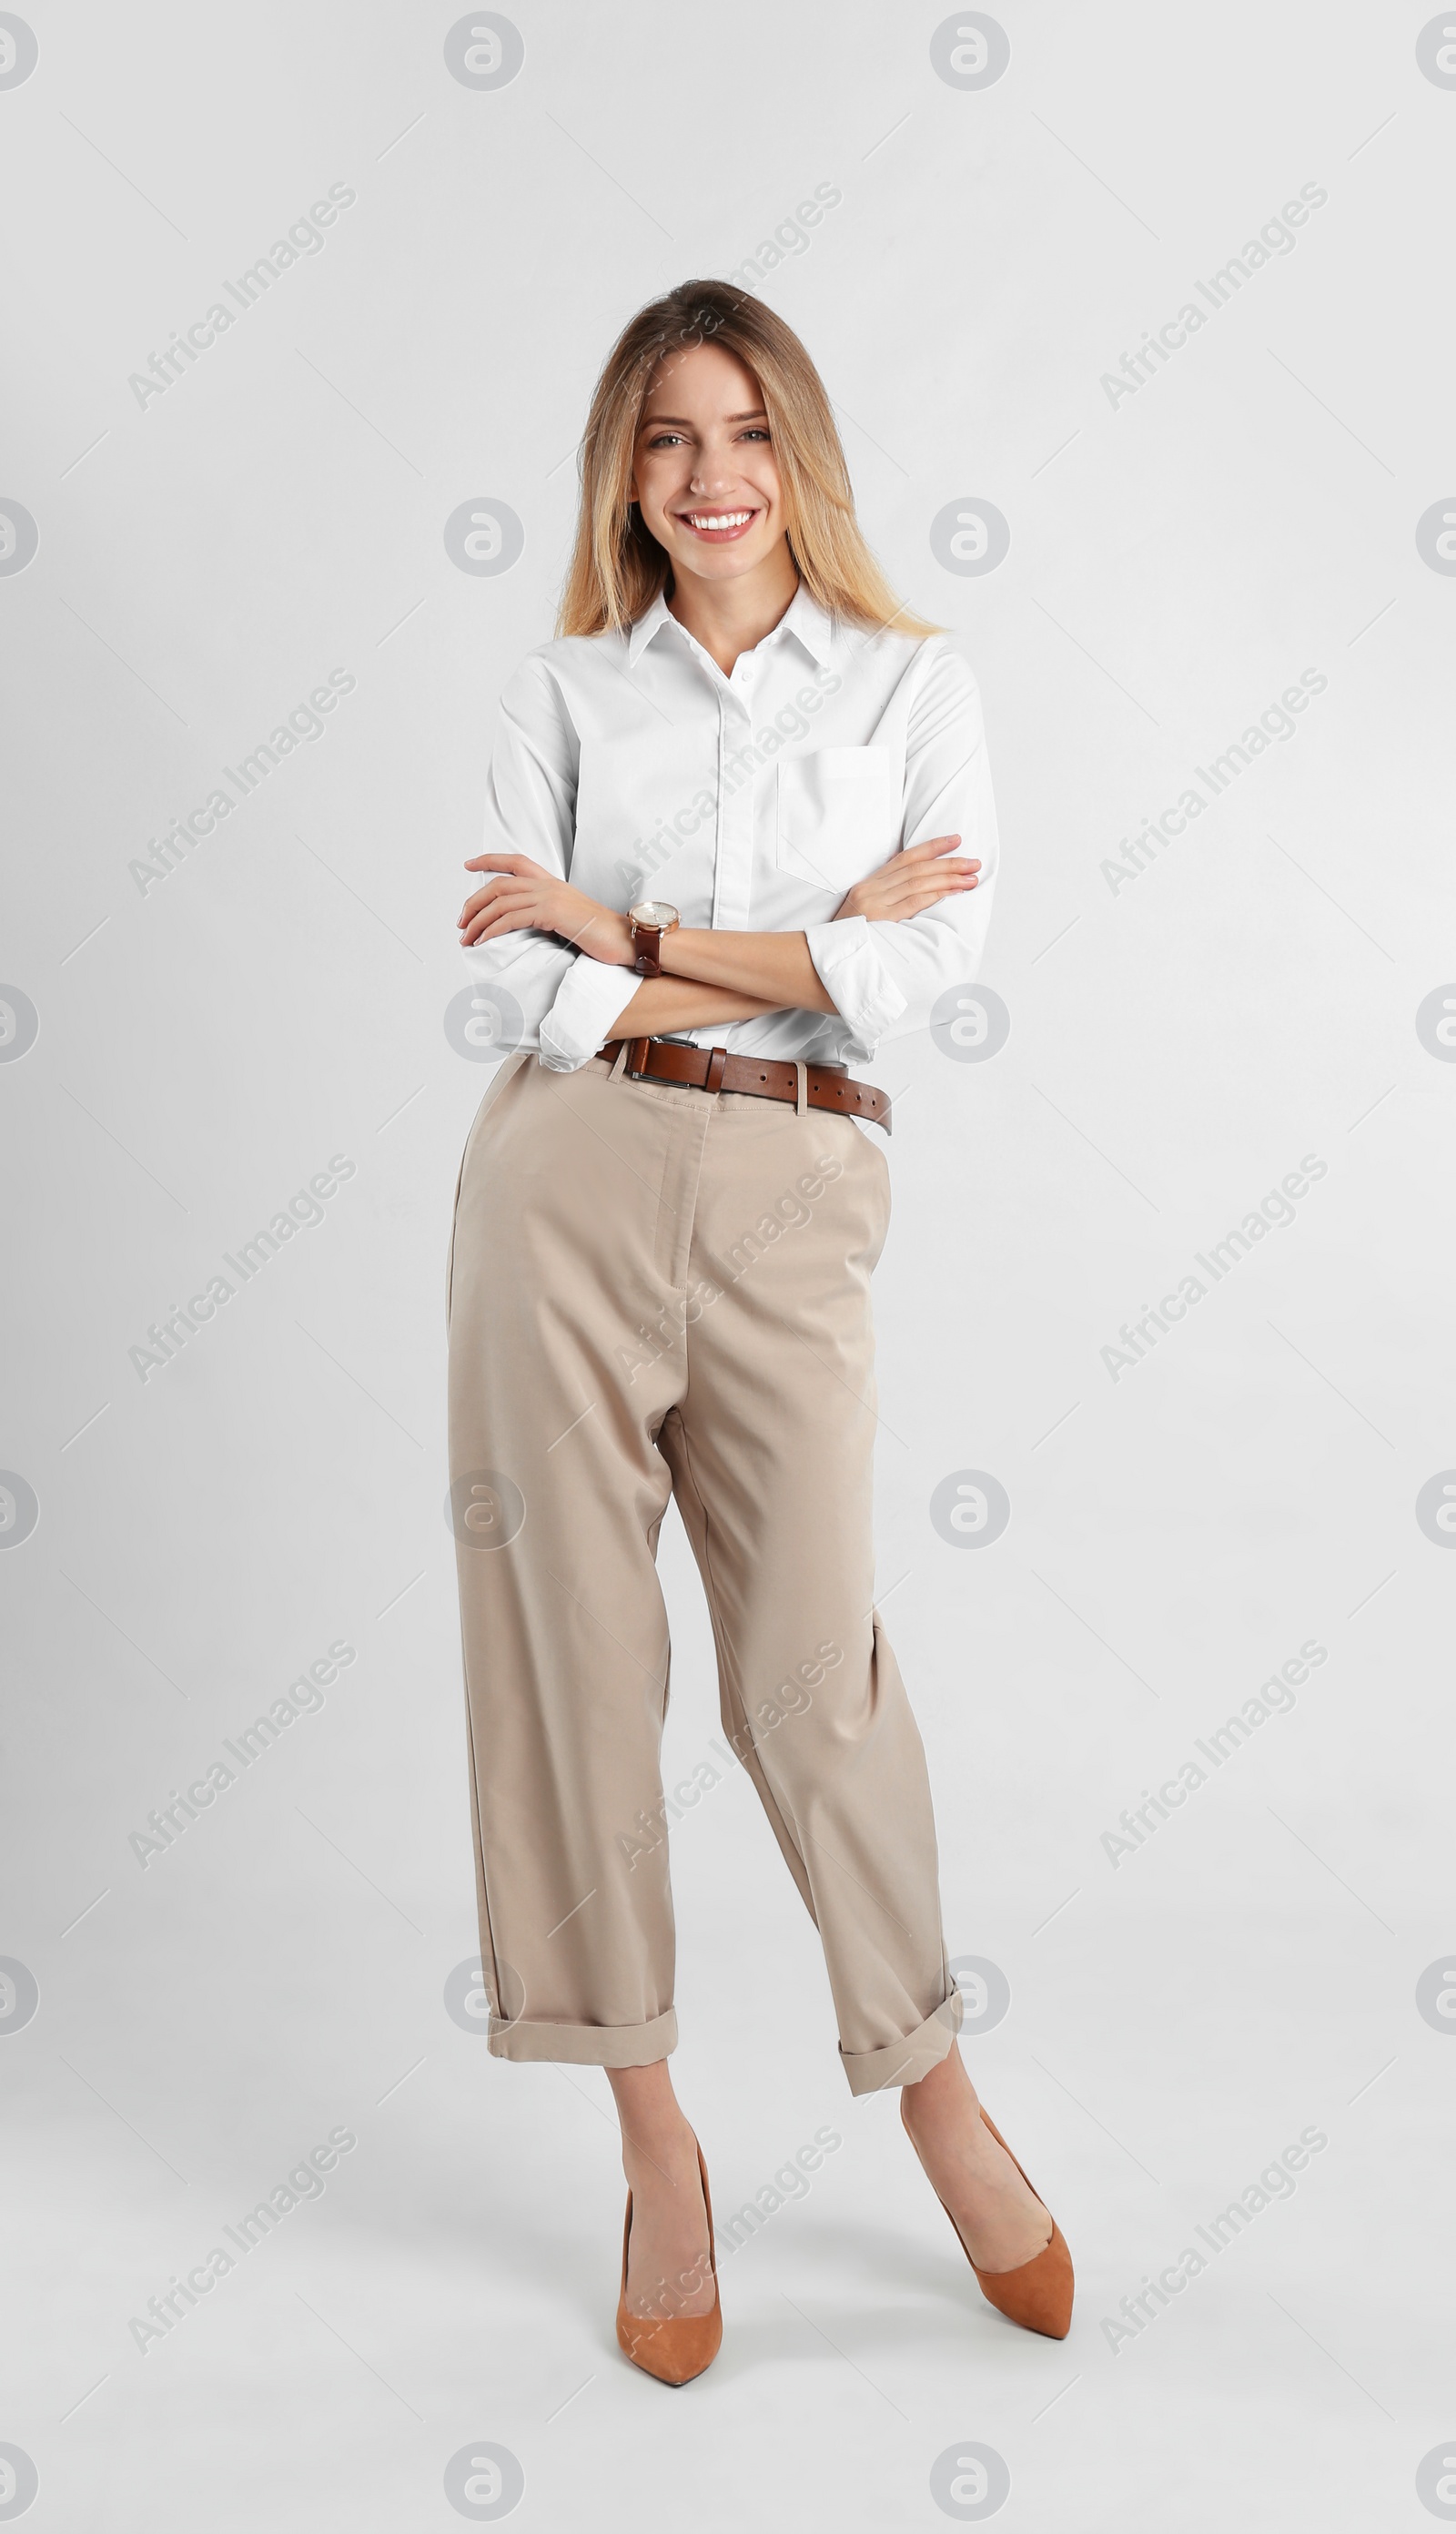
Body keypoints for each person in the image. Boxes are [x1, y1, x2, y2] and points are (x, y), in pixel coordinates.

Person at [447, 279, 1072, 2383]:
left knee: (812, 1678)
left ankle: (933, 2092)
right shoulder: (558, 691)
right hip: (560, 1181)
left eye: (738, 434)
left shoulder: (910, 684)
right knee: (572, 1666)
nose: (706, 480)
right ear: (620, 476)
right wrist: (794, 950)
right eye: (661, 441)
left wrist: (626, 934)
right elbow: (529, 1000)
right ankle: (657, 2146)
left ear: (797, 447)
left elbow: (919, 978)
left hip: (801, 1190)